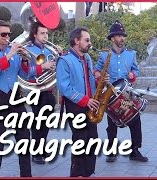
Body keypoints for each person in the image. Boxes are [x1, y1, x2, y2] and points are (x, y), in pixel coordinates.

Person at [0, 20, 35, 177]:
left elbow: (24, 74)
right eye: (3, 34)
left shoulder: (14, 52)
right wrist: (10, 54)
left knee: (24, 138)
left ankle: (26, 175)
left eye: (9, 34)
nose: (7, 37)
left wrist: (24, 59)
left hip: (16, 97)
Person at [94, 20, 148, 163]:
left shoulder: (131, 54)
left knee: (135, 119)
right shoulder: (104, 56)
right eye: (119, 36)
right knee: (112, 121)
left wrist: (133, 75)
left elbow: (135, 70)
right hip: (110, 93)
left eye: (123, 36)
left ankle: (135, 150)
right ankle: (111, 151)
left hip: (126, 92)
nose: (122, 38)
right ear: (112, 38)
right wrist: (99, 76)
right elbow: (96, 70)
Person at [56, 27, 100, 177]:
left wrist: (100, 80)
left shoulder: (87, 58)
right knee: (80, 140)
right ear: (76, 41)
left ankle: (89, 173)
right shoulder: (64, 60)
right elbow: (64, 87)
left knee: (93, 139)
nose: (90, 43)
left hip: (91, 104)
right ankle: (76, 174)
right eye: (86, 40)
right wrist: (85, 100)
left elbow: (90, 80)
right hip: (75, 106)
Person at [24, 21, 63, 164]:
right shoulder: (27, 50)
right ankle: (36, 153)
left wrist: (60, 55)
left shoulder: (49, 50)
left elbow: (58, 67)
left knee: (46, 123)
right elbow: (25, 72)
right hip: (36, 91)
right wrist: (43, 67)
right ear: (34, 34)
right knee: (37, 123)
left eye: (46, 33)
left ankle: (42, 148)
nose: (45, 36)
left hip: (48, 90)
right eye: (42, 33)